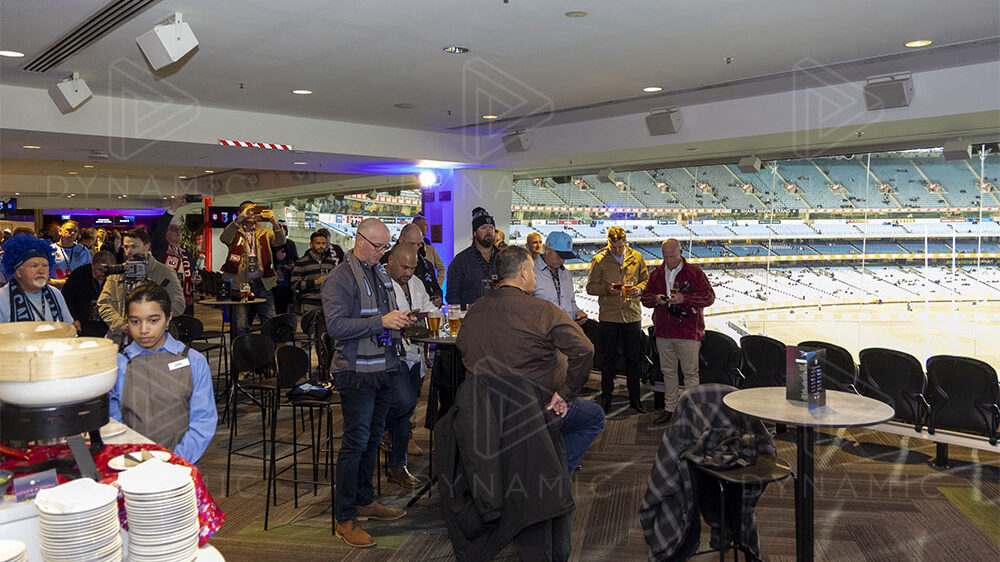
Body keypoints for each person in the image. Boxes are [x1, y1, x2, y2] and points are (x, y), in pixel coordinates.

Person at [457, 246, 604, 475]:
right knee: (594, 417)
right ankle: (554, 477)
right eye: (533, 271)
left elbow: (465, 350)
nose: (535, 275)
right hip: (535, 410)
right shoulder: (543, 311)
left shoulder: (474, 311)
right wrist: (564, 394)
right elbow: (585, 350)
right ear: (524, 272)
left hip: (487, 411)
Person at [321, 218, 413, 548]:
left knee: (373, 440)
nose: (382, 252)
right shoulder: (339, 278)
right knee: (355, 444)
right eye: (377, 246)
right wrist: (382, 321)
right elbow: (337, 328)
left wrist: (399, 322)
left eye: (385, 246)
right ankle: (344, 518)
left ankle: (364, 499)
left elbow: (382, 316)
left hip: (384, 367)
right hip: (355, 372)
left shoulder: (379, 272)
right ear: (359, 241)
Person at [109, 284, 217, 464]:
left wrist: (175, 459)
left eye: (153, 320)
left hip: (181, 464)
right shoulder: (118, 364)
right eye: (135, 321)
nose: (144, 330)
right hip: (131, 465)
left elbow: (203, 420)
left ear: (168, 319)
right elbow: (113, 423)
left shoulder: (194, 361)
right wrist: (132, 459)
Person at [641, 238, 715, 425]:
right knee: (668, 373)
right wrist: (656, 299)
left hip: (688, 332)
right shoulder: (656, 273)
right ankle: (670, 409)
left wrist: (684, 298)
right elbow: (645, 298)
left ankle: (693, 412)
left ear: (680, 252)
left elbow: (709, 297)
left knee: (690, 373)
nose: (669, 260)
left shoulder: (695, 272)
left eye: (672, 256)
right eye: (665, 256)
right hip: (663, 331)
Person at [384, 244, 435, 487]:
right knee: (403, 404)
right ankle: (388, 442)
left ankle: (397, 464)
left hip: (415, 354)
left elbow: (429, 307)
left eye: (413, 268)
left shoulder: (416, 282)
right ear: (391, 261)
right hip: (393, 356)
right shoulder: (380, 283)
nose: (408, 272)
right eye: (404, 267)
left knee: (407, 408)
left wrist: (434, 315)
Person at [586, 226, 650, 414]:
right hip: (609, 317)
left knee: (633, 359)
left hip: (632, 315)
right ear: (608, 243)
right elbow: (590, 287)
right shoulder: (598, 259)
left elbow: (646, 280)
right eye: (613, 247)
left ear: (625, 242)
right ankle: (606, 397)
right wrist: (607, 289)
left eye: (620, 247)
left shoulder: (637, 257)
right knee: (608, 359)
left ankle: (635, 399)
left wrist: (639, 288)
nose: (617, 250)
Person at [97, 228, 186, 344]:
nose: (129, 251)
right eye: (126, 247)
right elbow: (104, 303)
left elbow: (178, 305)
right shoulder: (118, 273)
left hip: (153, 340)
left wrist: (149, 320)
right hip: (119, 339)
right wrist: (121, 325)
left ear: (147, 247)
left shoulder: (164, 273)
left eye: (134, 247)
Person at [219, 201, 285, 335]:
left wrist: (273, 221)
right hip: (240, 284)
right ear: (240, 213)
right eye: (248, 211)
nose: (252, 214)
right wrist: (239, 219)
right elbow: (225, 238)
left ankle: (267, 352)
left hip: (262, 283)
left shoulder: (265, 232)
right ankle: (241, 352)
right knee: (240, 325)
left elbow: (281, 241)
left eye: (254, 211)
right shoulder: (235, 230)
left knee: (269, 321)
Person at [0, 234, 75, 326]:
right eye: (34, 266)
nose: (41, 271)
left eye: (45, 265)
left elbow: (68, 327)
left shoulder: (55, 294)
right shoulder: (2, 298)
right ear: (18, 272)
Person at [151, 199, 200, 316]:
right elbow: (160, 230)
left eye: (179, 230)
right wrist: (172, 209)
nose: (178, 232)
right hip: (166, 298)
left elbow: (193, 273)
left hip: (185, 298)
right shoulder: (161, 249)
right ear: (165, 233)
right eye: (173, 229)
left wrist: (196, 279)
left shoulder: (186, 253)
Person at [445, 207, 498, 307]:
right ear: (475, 233)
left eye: (491, 228)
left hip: (499, 315)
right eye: (483, 228)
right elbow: (452, 295)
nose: (488, 231)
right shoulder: (460, 261)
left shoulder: (503, 257)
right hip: (471, 317)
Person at [533, 231, 587, 324]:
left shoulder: (566, 274)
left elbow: (571, 303)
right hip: (541, 333)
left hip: (565, 331)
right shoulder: (531, 271)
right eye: (559, 256)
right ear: (547, 249)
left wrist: (577, 312)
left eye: (565, 257)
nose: (562, 260)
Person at [388, 223, 442, 307]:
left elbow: (434, 290)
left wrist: (437, 298)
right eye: (405, 267)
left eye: (418, 244)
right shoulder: (381, 266)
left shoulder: (425, 266)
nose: (409, 273)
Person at [62, 249, 115, 337]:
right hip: (83, 322)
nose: (104, 273)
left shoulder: (115, 277)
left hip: (107, 324)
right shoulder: (78, 275)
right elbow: (66, 299)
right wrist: (73, 319)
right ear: (92, 265)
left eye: (107, 270)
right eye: (100, 269)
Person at [291, 231, 338, 313]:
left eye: (323, 243)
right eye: (318, 243)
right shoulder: (301, 262)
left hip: (328, 305)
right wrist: (314, 282)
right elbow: (294, 284)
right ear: (311, 244)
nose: (321, 246)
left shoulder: (330, 262)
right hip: (309, 305)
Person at [49, 220, 91, 288]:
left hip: (77, 291)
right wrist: (56, 282)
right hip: (56, 291)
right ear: (60, 231)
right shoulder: (49, 250)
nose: (72, 233)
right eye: (69, 230)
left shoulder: (83, 251)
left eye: (75, 231)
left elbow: (89, 274)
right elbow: (41, 277)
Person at [270, 222, 298, 314]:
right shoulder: (270, 244)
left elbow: (296, 260)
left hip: (287, 283)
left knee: (285, 308)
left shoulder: (290, 244)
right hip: (273, 283)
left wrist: (292, 267)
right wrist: (276, 258)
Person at [411, 215, 446, 282]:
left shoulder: (428, 245)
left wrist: (437, 285)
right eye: (425, 225)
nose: (427, 228)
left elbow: (441, 268)